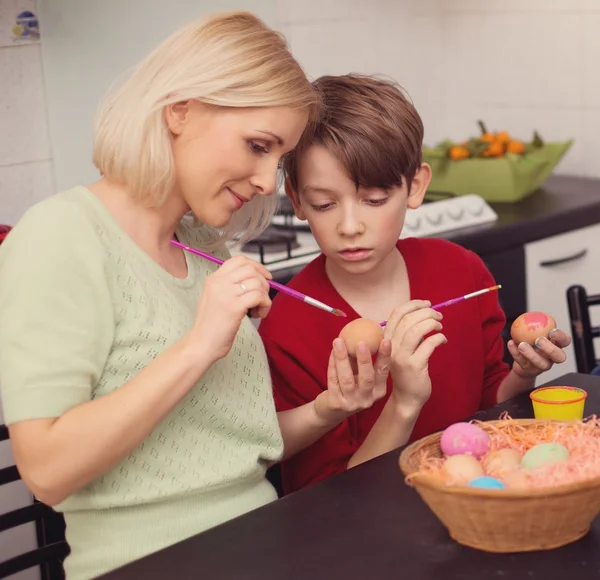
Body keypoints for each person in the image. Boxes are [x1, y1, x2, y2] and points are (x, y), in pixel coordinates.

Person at [0, 18, 392, 579]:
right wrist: (199, 344)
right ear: (180, 110)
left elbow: (227, 455)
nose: (265, 182)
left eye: (275, 159)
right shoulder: (60, 235)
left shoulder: (202, 246)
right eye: (257, 146)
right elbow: (47, 471)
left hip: (263, 543)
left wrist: (332, 407)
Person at [258, 74, 572, 495]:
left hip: (474, 505)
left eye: (373, 200)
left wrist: (521, 375)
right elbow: (331, 498)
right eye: (324, 204)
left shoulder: (462, 271)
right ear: (296, 200)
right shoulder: (290, 326)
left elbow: (488, 401)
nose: (350, 227)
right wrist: (403, 402)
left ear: (416, 186)